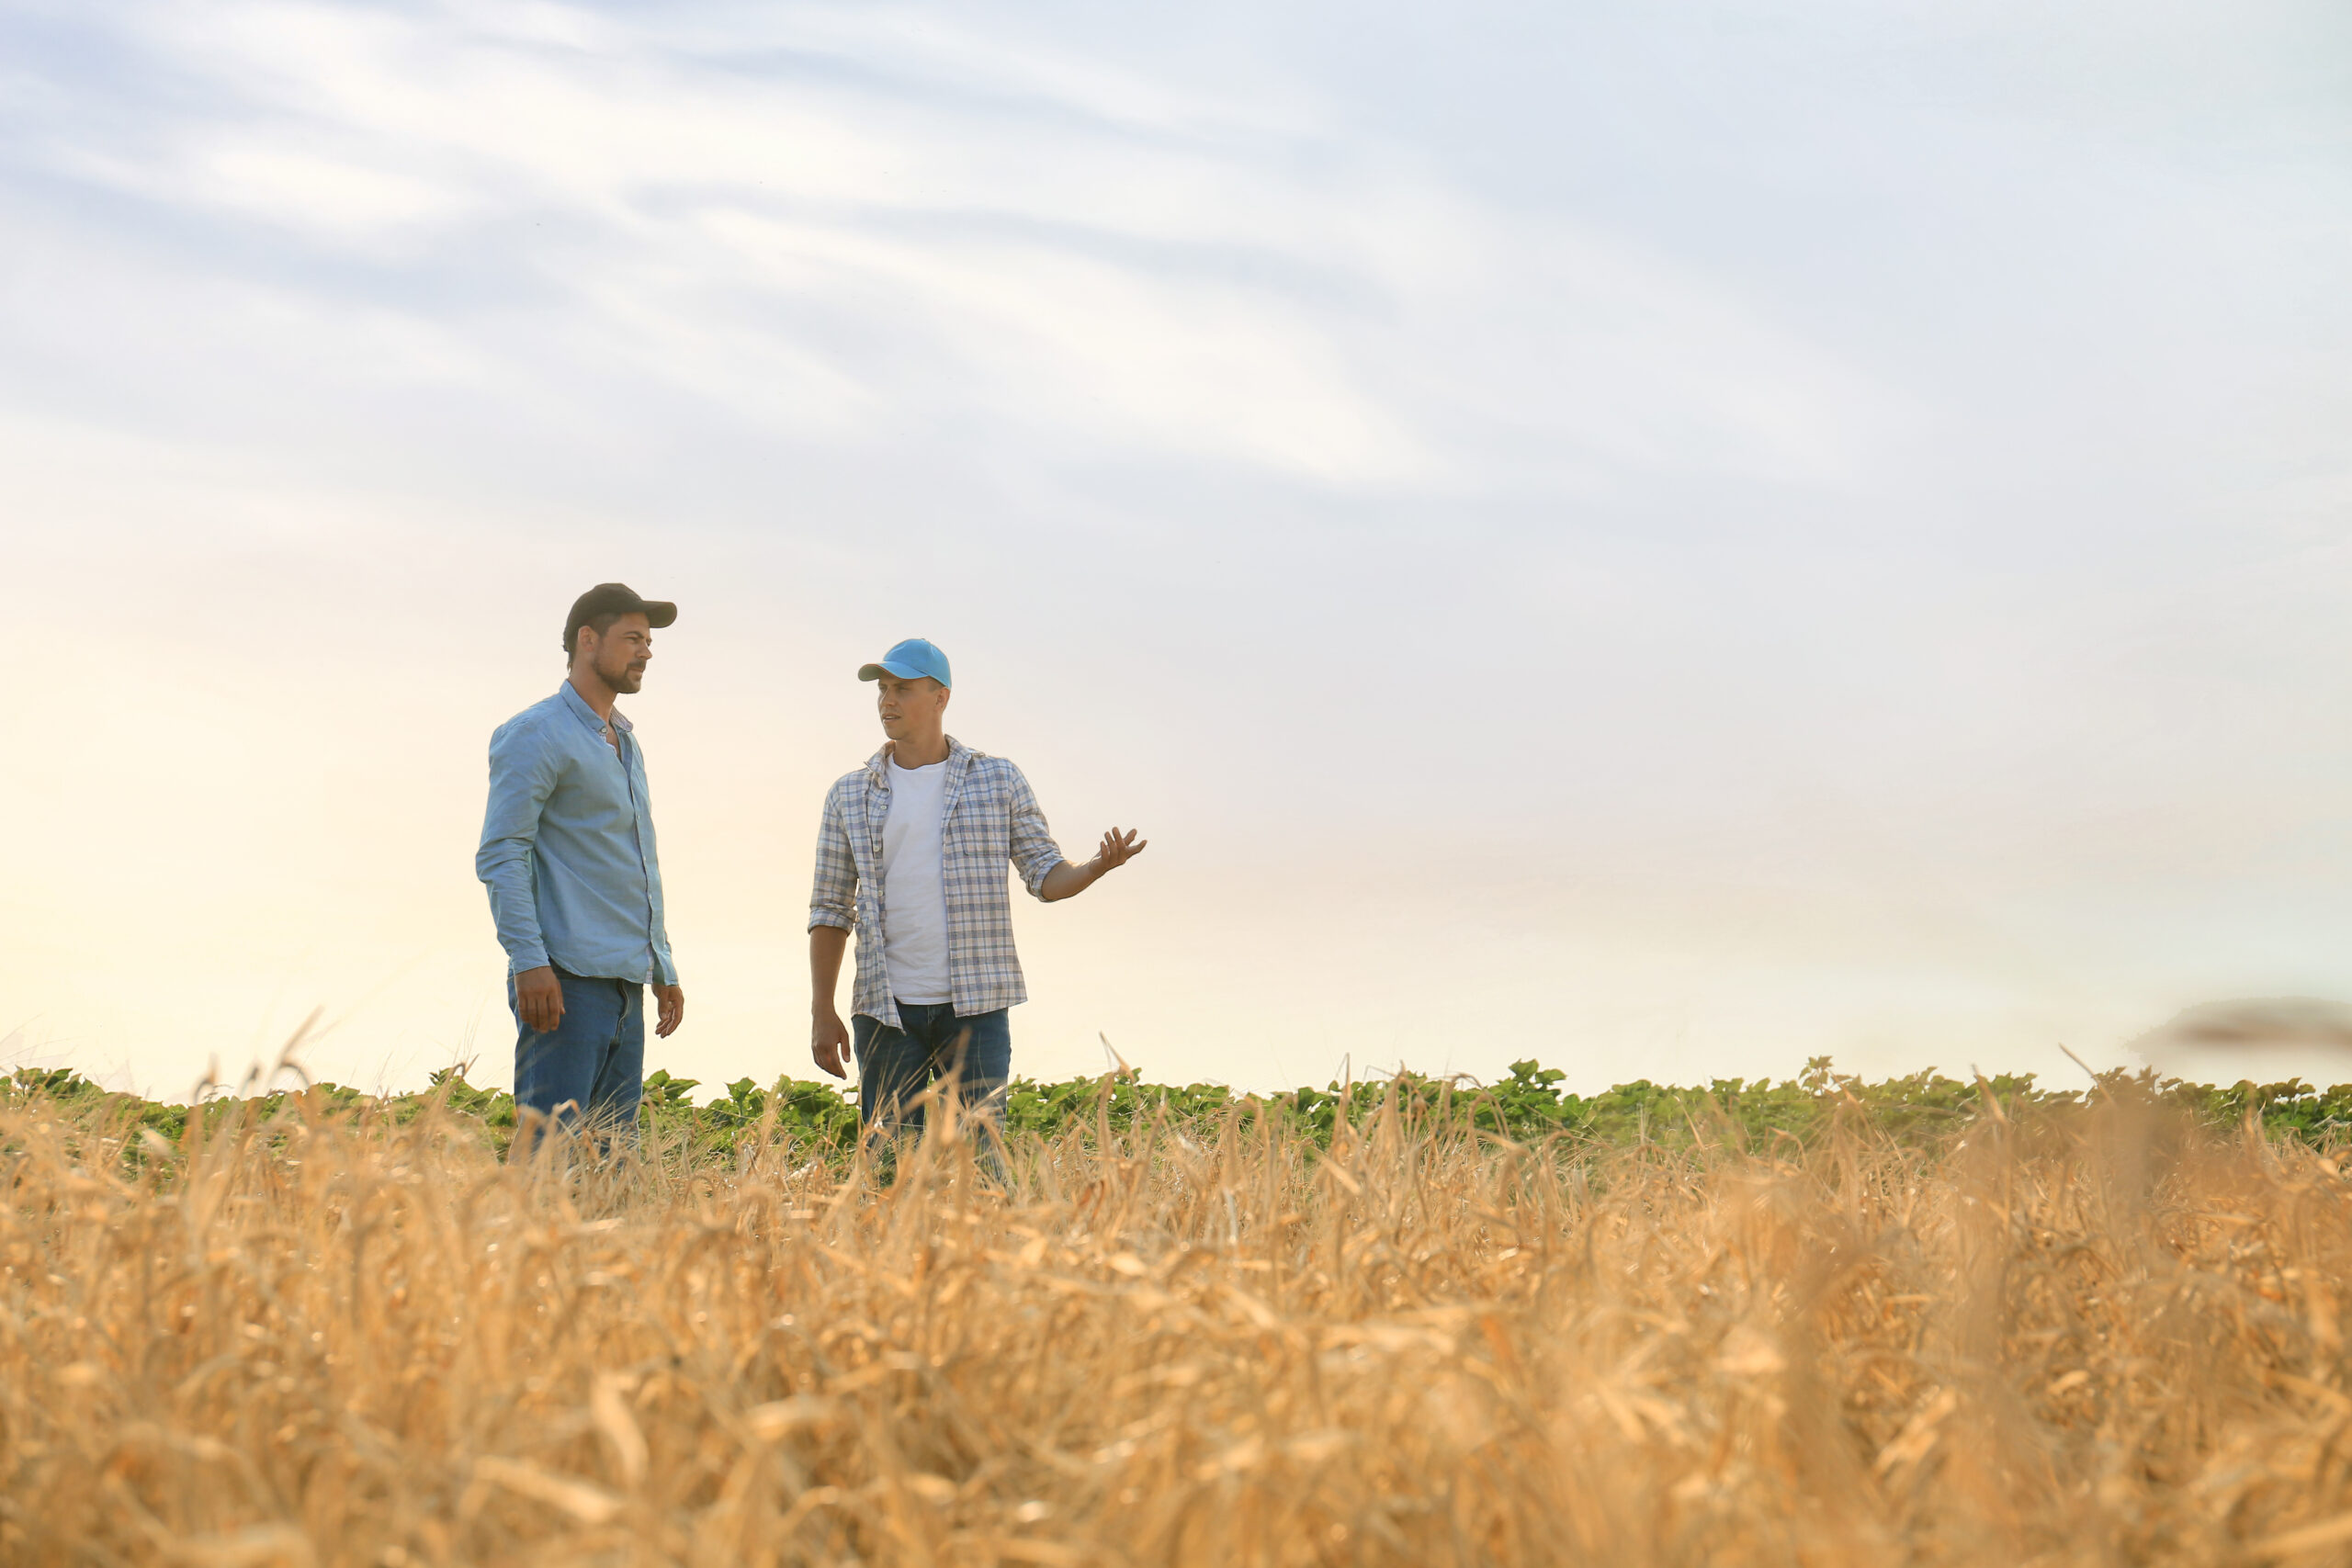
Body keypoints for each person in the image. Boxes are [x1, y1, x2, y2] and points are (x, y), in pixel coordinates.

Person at [807, 637, 1146, 1168]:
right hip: (885, 1010)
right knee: (886, 1173)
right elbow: (829, 910)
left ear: (941, 697)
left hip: (978, 1009)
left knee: (984, 1169)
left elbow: (1045, 876)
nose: (887, 701)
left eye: (903, 688)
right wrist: (822, 1010)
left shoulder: (997, 779)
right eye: (882, 690)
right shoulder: (849, 794)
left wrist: (1096, 867)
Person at [477, 582, 686, 1156]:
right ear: (587, 641)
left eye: (648, 641)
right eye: (633, 639)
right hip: (563, 985)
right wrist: (529, 961)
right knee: (547, 1169)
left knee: (610, 1179)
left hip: (626, 987)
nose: (645, 652)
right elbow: (502, 853)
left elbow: (636, 860)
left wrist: (662, 965)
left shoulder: (625, 742)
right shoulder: (535, 733)